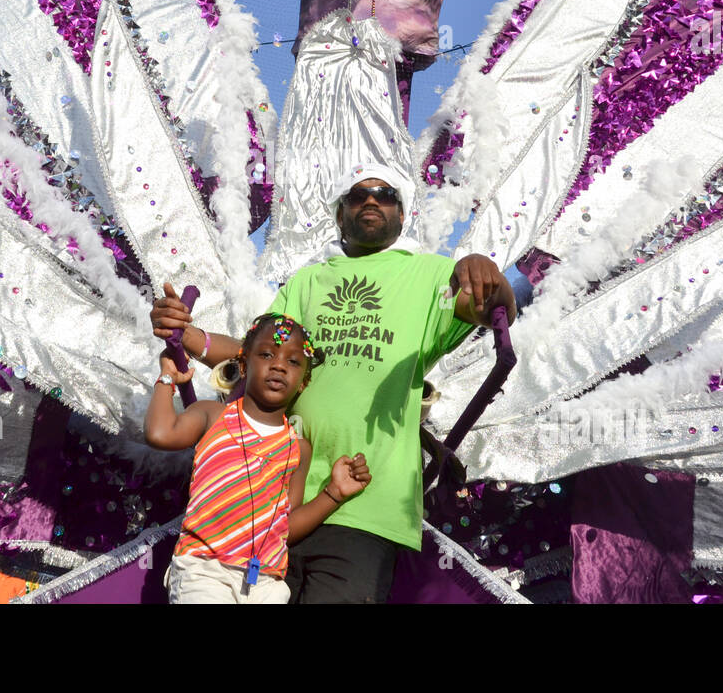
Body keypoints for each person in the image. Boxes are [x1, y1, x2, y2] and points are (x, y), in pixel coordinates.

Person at [150, 162, 516, 603]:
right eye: (356, 196)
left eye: (384, 194)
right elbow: (260, 350)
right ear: (340, 215)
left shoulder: (433, 275)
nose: (370, 201)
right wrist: (185, 334)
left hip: (363, 503)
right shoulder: (307, 281)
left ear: (403, 213)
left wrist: (485, 273)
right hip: (274, 505)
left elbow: (491, 308)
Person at [145, 314, 371, 604]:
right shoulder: (213, 416)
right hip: (204, 571)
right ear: (243, 365)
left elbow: (284, 527)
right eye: (266, 354)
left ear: (304, 381)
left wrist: (334, 493)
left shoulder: (298, 449)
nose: (278, 365)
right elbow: (160, 433)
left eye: (293, 362)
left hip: (265, 583)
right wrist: (167, 378)